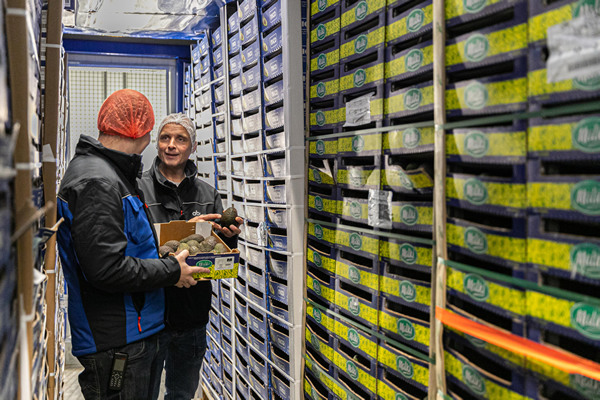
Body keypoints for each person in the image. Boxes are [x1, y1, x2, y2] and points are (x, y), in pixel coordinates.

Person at [56, 90, 209, 400]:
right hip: (116, 341)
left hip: (132, 334)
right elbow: (106, 269)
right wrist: (171, 271)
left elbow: (127, 245)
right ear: (143, 133)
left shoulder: (111, 173)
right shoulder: (98, 181)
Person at [139, 113, 243, 400]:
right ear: (157, 143)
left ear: (193, 147)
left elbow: (217, 250)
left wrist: (229, 236)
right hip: (150, 315)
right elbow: (133, 247)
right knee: (143, 393)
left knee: (182, 394)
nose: (171, 145)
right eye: (165, 138)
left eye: (180, 139)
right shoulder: (138, 189)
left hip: (192, 315)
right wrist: (177, 239)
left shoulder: (207, 194)